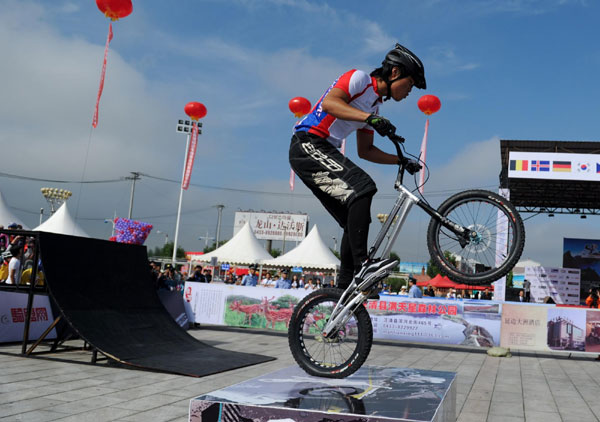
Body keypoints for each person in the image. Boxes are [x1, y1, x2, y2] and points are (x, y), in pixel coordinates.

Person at [289, 43, 426, 292]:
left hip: (323, 150)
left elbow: (366, 151)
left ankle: (343, 286)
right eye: (410, 84)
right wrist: (369, 118)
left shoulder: (374, 105)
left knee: (353, 217)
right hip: (308, 143)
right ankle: (364, 265)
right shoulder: (359, 79)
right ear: (395, 72)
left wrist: (400, 160)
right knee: (363, 188)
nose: (410, 92)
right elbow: (330, 103)